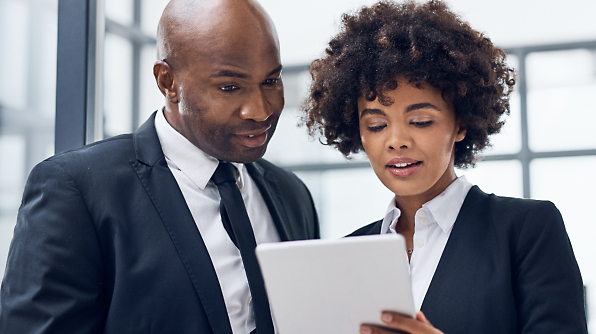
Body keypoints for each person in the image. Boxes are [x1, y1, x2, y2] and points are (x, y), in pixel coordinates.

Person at [0, 0, 319, 333]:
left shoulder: (292, 195)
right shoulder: (78, 191)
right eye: (229, 87)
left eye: (270, 82)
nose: (259, 110)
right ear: (168, 82)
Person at [302, 1, 587, 333]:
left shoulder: (526, 231)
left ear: (460, 124)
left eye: (420, 120)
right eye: (377, 125)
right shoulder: (344, 255)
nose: (396, 141)